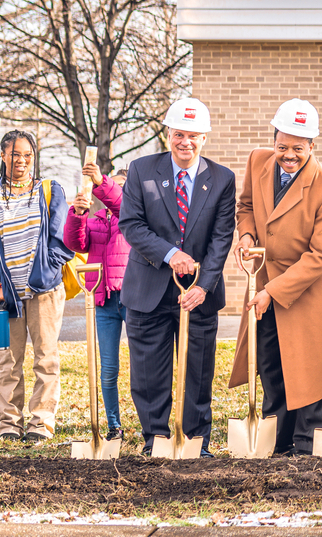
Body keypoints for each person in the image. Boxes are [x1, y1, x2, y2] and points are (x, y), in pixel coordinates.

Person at [229, 99, 322, 456]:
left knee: (306, 365)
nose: (289, 156)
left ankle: (308, 442)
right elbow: (246, 206)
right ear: (274, 139)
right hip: (264, 277)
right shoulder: (258, 161)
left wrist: (272, 292)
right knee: (270, 360)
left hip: (306, 289)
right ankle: (276, 440)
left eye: (298, 149)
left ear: (312, 146)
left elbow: (319, 256)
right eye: (282, 147)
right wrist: (247, 236)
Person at [119, 98, 237, 457]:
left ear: (205, 137)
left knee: (198, 373)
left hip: (198, 294)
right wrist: (171, 254)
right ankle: (155, 438)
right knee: (149, 374)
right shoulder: (141, 170)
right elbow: (131, 225)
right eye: (178, 134)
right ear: (167, 134)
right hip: (149, 288)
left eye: (193, 136)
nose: (185, 142)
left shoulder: (221, 179)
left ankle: (195, 441)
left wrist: (204, 285)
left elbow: (221, 238)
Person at [0, 130, 75, 442]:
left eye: (28, 155)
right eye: (15, 154)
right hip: (6, 296)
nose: (21, 161)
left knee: (46, 358)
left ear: (34, 157)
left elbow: (64, 238)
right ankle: (8, 425)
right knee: (9, 361)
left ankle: (40, 424)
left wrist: (47, 270)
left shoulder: (49, 190)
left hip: (45, 291)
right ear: (3, 156)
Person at [64, 160, 131, 441]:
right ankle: (114, 425)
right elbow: (75, 243)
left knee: (143, 366)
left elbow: (124, 208)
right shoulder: (96, 220)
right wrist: (78, 214)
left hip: (133, 297)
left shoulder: (136, 219)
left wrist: (104, 182)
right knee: (108, 368)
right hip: (103, 299)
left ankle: (152, 422)